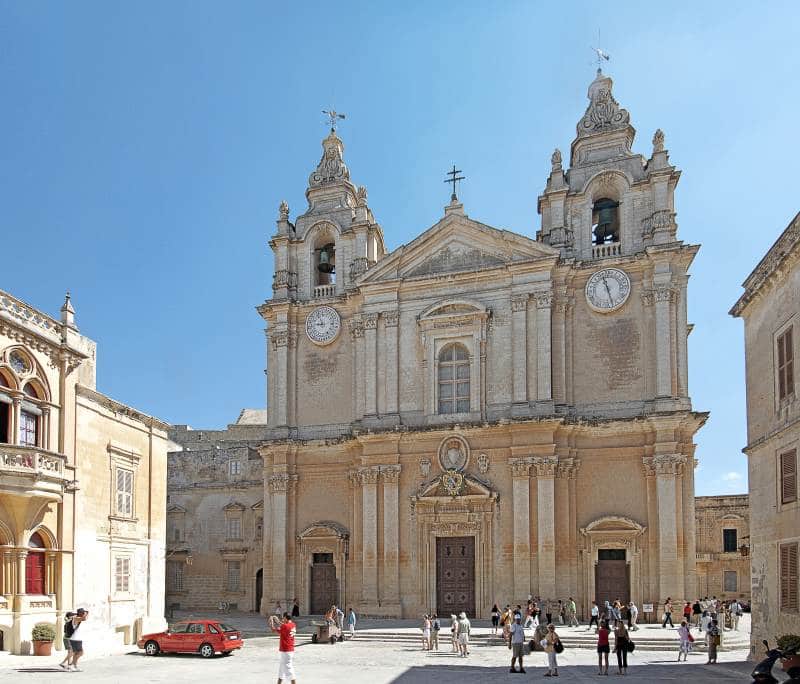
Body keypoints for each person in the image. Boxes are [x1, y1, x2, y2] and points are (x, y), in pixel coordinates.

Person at [270, 612, 297, 684]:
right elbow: (284, 626)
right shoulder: (293, 624)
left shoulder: (284, 626)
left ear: (285, 618)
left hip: (286, 650)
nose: (282, 619)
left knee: (289, 669)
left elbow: (273, 630)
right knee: (281, 669)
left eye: (283, 617)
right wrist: (278, 621)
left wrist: (271, 622)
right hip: (290, 649)